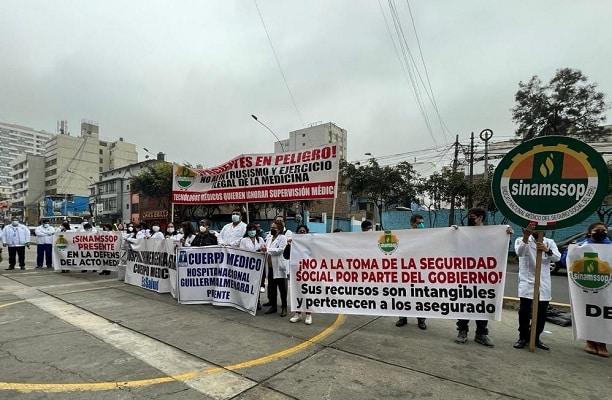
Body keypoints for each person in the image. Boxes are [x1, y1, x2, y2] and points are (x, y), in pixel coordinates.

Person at [454, 207, 513, 347]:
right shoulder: (463, 232)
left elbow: (501, 247)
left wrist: (507, 236)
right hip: (466, 275)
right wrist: (452, 233)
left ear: (480, 217)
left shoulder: (491, 233)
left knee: (482, 304)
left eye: (472, 216)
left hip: (483, 276)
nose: (470, 219)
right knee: (465, 304)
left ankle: (481, 333)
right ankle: (462, 331)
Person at [561, 221, 610, 357]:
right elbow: (565, 261)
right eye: (597, 231)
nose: (601, 233)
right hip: (586, 287)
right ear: (589, 232)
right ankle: (590, 341)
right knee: (588, 314)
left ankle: (603, 343)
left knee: (604, 315)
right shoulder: (580, 246)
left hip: (606, 288)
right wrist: (571, 251)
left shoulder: (610, 247)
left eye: (603, 230)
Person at [512, 222, 561, 350]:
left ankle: (535, 337)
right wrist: (526, 236)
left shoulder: (549, 242)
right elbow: (520, 252)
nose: (537, 231)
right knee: (524, 312)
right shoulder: (521, 240)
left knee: (541, 313)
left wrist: (547, 250)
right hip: (527, 282)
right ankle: (523, 337)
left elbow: (557, 258)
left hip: (543, 283)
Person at [396, 214, 427, 330]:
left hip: (420, 271)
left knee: (420, 295)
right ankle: (402, 317)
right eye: (419, 223)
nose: (421, 225)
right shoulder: (404, 236)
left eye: (422, 223)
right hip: (405, 270)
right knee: (403, 295)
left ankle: (421, 319)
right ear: (412, 223)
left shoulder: (428, 236)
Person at [287, 224, 314, 324]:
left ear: (307, 232)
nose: (302, 232)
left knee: (307, 292)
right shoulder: (293, 243)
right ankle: (297, 313)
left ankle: (308, 314)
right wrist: (289, 245)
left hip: (308, 272)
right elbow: (286, 256)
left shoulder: (311, 244)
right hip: (296, 272)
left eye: (304, 231)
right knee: (297, 292)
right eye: (300, 231)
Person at [263, 220, 288, 316]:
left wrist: (267, 249)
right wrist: (263, 250)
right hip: (270, 267)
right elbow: (266, 249)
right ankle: (273, 306)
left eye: (274, 228)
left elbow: (280, 250)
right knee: (272, 288)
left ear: (279, 229)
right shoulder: (269, 238)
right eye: (271, 228)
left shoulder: (282, 238)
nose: (272, 229)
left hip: (279, 267)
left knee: (282, 289)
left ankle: (284, 307)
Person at [239, 223, 267, 310]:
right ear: (247, 231)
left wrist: (262, 250)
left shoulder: (260, 239)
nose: (252, 231)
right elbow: (242, 252)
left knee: (257, 284)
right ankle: (247, 302)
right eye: (250, 230)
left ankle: (257, 301)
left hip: (259, 265)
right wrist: (255, 251)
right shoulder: (244, 240)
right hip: (248, 265)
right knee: (249, 285)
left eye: (253, 229)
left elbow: (264, 250)